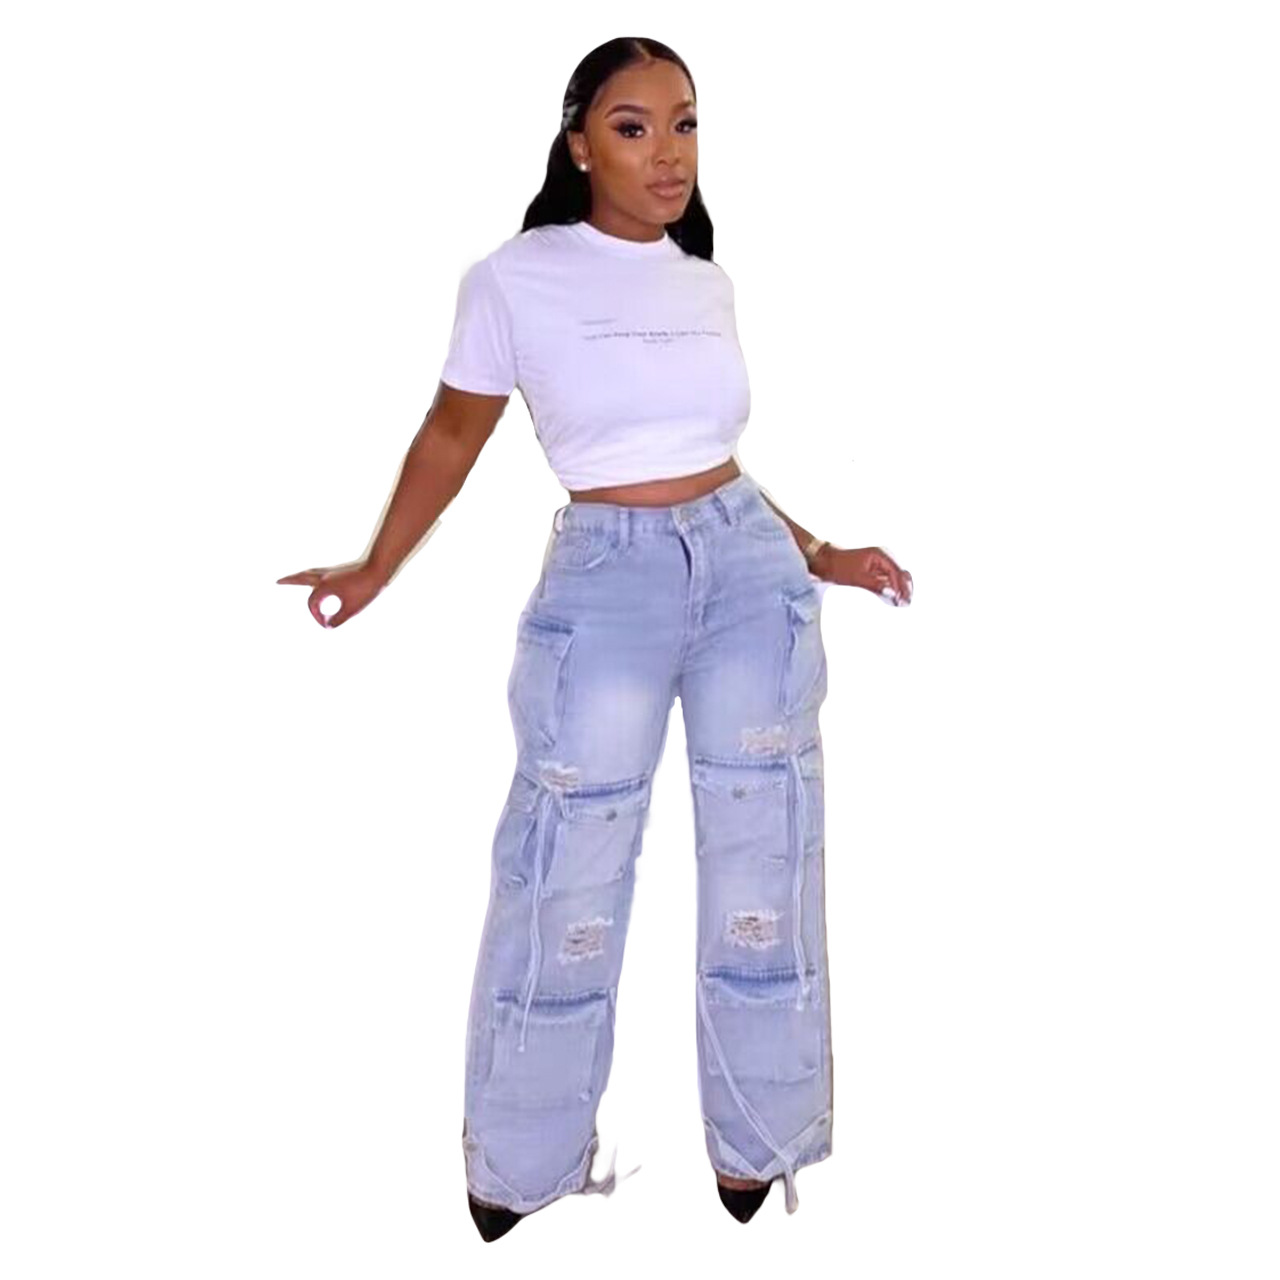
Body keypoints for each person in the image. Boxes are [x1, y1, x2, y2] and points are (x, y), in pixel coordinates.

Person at [277, 37, 913, 1242]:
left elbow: (710, 462)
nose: (667, 153)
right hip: (605, 584)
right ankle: (518, 1160)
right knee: (566, 863)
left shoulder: (701, 279)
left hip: (746, 572)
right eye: (633, 127)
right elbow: (451, 435)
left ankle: (761, 1139)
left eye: (685, 123)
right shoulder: (513, 279)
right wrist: (373, 567)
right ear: (578, 144)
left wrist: (820, 551)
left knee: (766, 859)